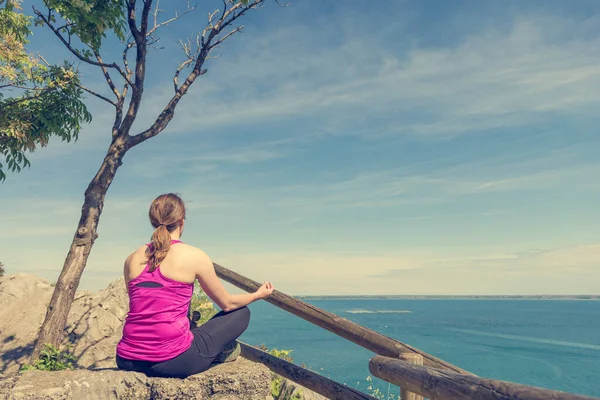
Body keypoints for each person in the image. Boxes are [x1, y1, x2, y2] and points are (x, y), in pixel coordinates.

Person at [116, 193, 274, 378]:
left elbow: (143, 307)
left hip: (127, 359)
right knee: (241, 313)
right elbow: (228, 304)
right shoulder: (194, 256)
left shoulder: (131, 259)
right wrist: (257, 295)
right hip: (172, 361)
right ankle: (219, 353)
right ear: (181, 222)